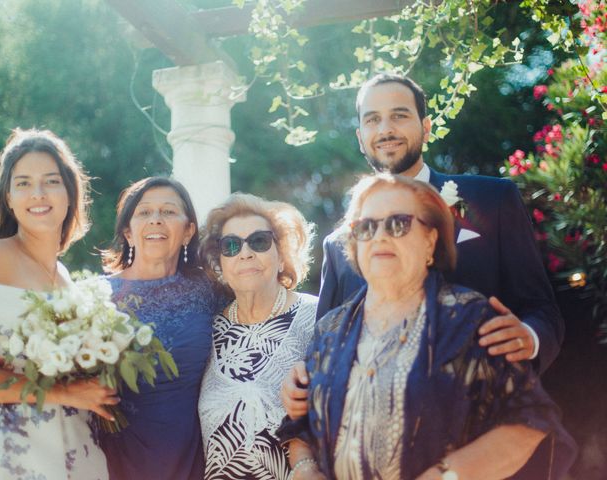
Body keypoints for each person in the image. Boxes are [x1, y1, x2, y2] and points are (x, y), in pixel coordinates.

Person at [282, 73, 565, 419]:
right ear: (360, 138)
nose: (386, 129)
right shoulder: (341, 243)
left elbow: (543, 309)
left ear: (426, 127)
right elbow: (325, 350)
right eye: (373, 119)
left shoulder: (492, 200)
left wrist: (530, 337)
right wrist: (301, 378)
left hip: (489, 424)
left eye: (399, 115)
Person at [277, 173, 575, 480]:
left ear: (430, 240)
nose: (379, 236)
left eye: (398, 223)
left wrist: (446, 475)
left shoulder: (469, 320)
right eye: (366, 227)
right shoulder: (331, 329)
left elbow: (528, 422)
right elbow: (300, 424)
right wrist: (304, 467)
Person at [0, 128, 114, 479]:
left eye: (50, 181)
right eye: (23, 183)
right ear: (9, 198)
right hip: (10, 454)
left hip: (75, 453)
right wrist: (62, 393)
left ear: (69, 192)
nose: (38, 193)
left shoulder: (66, 278)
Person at [98, 176, 221, 480]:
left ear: (188, 230)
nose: (155, 220)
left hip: (188, 460)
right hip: (110, 458)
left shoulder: (211, 291)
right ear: (128, 231)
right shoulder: (92, 297)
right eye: (144, 212)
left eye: (168, 212)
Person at [198, 193, 317, 480]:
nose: (245, 253)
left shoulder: (316, 317)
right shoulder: (210, 330)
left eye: (259, 241)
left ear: (281, 256)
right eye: (231, 246)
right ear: (222, 265)